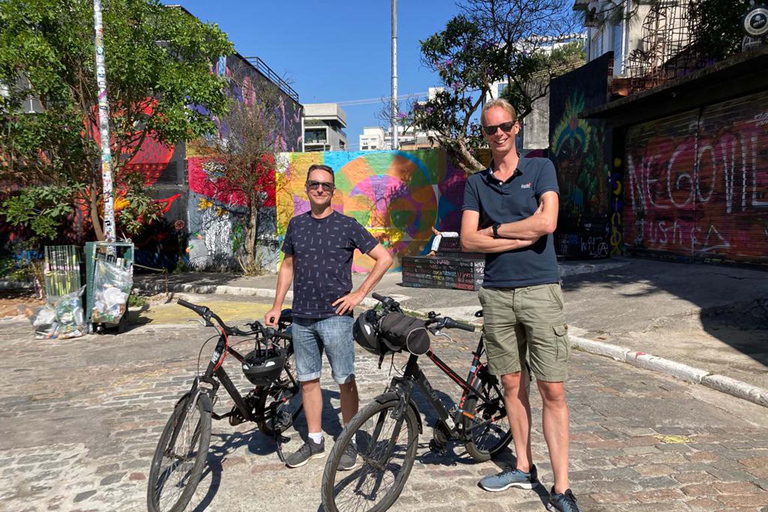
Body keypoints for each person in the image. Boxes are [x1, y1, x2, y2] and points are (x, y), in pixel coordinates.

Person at [461, 98, 581, 512]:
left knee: (552, 388)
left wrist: (497, 230)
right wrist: (519, 234)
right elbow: (467, 240)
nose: (498, 134)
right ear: (484, 135)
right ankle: (524, 467)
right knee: (511, 385)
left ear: (516, 128)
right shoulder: (477, 183)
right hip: (496, 292)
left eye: (504, 126)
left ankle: (561, 487)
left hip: (540, 290)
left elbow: (547, 224)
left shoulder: (541, 168)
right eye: (490, 129)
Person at [265, 163, 393, 470]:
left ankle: (348, 438)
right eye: (314, 184)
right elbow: (287, 267)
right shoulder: (296, 225)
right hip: (301, 318)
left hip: (336, 317)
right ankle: (314, 440)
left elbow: (384, 257)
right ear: (307, 189)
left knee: (345, 380)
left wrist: (359, 294)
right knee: (308, 381)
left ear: (333, 191)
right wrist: (276, 304)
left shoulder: (347, 225)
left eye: (325, 185)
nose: (319, 189)